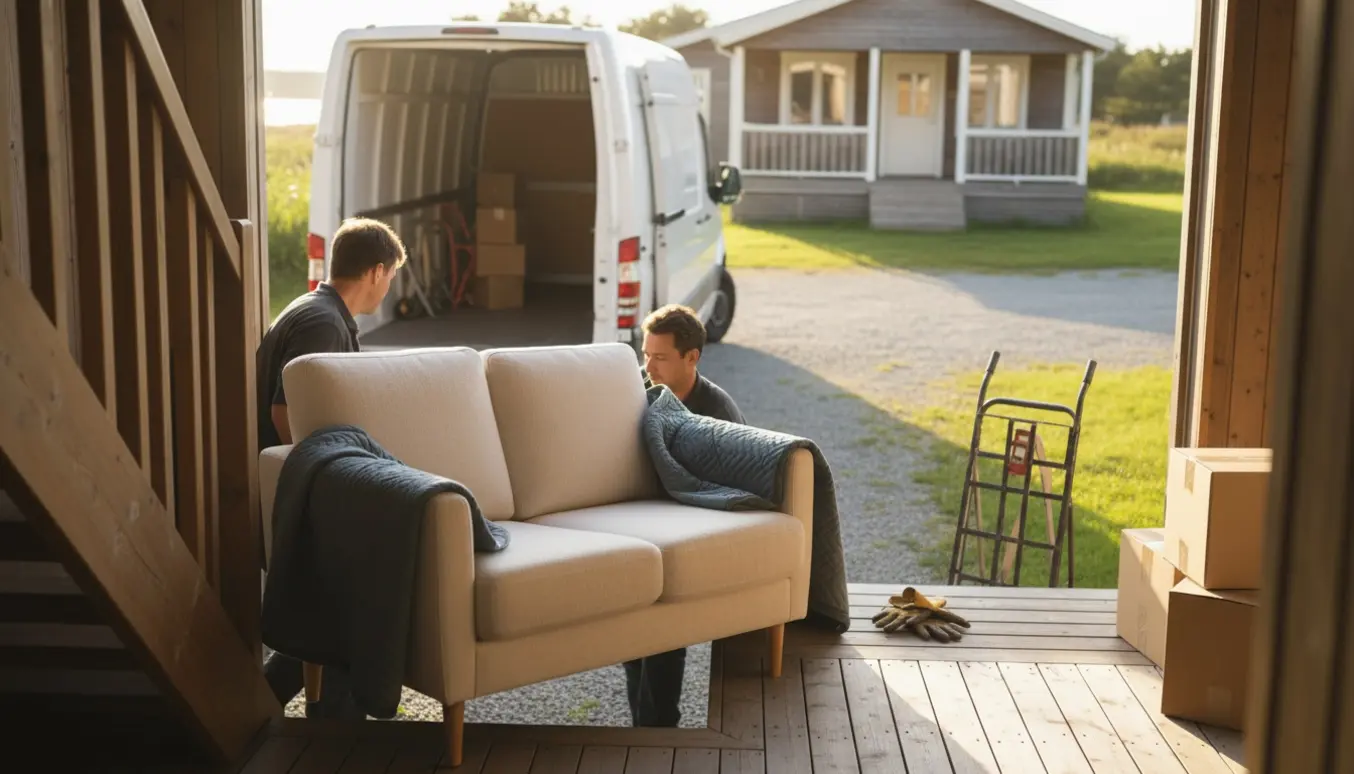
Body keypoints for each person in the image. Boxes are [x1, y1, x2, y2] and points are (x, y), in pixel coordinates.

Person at [255, 217, 407, 717]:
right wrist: (321, 488)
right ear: (377, 271)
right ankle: (338, 727)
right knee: (354, 592)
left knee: (330, 607)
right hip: (298, 489)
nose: (388, 288)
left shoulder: (318, 310)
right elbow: (285, 412)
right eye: (390, 277)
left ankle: (271, 707)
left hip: (306, 481)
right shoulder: (323, 322)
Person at [628, 303, 744, 727]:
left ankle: (656, 729)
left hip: (698, 526)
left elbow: (734, 488)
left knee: (661, 626)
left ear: (691, 357)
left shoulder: (718, 413)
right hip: (643, 520)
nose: (648, 365)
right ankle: (646, 723)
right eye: (645, 354)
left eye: (659, 357)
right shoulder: (637, 393)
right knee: (633, 627)